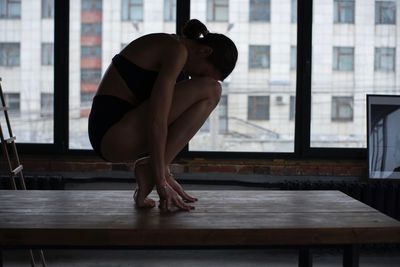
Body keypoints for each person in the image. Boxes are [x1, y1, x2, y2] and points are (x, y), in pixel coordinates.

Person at [88, 19, 238, 212]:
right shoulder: (175, 50)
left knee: (212, 90)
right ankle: (150, 168)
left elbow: (163, 119)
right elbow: (157, 121)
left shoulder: (180, 60)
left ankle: (150, 166)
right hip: (112, 134)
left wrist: (163, 173)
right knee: (212, 89)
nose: (196, 79)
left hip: (120, 135)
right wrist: (161, 182)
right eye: (202, 73)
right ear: (204, 51)